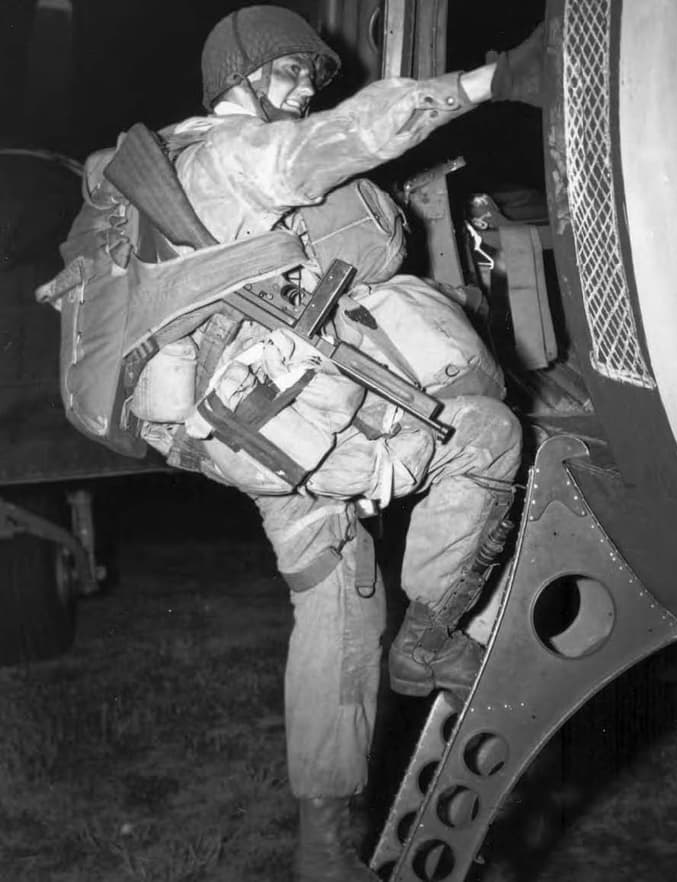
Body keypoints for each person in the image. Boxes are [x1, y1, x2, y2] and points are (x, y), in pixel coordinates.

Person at [82, 7, 546, 880]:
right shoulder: (229, 155)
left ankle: (324, 846)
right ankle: (436, 629)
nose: (301, 95)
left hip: (246, 433)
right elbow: (340, 142)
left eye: (307, 80)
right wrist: (489, 83)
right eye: (289, 77)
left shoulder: (166, 174)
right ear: (240, 83)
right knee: (485, 436)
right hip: (277, 418)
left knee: (338, 608)